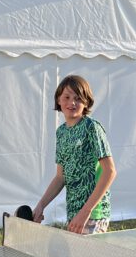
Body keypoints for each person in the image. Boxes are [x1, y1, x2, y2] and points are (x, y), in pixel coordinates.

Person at [33, 75, 117, 234]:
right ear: (58, 100)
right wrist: (41, 205)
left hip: (93, 213)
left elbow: (110, 171)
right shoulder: (61, 132)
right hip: (74, 211)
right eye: (67, 97)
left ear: (86, 102)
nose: (72, 103)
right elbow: (60, 177)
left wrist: (86, 211)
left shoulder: (92, 127)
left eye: (78, 98)